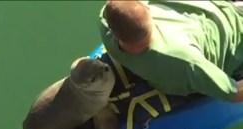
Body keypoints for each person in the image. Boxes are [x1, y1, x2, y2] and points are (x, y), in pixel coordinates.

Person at [98, 0, 243, 102]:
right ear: (147, 10)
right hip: (235, 35)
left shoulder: (105, 25)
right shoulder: (184, 61)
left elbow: (114, 8)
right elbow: (234, 93)